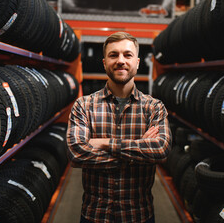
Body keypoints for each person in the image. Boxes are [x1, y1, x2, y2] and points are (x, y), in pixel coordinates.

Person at [66, 32, 172, 223]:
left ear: (138, 62)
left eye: (127, 55)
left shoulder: (154, 107)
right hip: (94, 215)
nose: (121, 60)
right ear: (104, 62)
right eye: (113, 55)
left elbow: (161, 150)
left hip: (138, 215)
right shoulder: (83, 105)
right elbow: (76, 153)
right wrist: (139, 148)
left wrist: (104, 143)